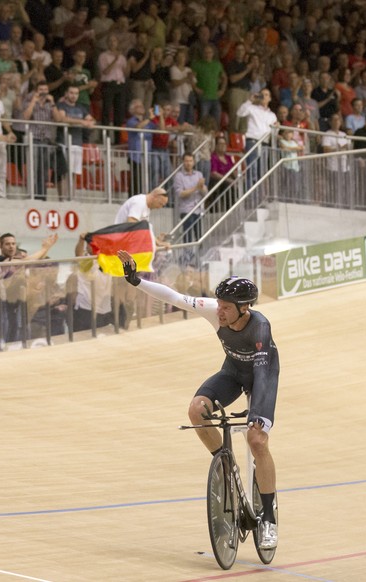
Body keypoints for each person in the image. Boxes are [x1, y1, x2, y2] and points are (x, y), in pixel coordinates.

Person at [116, 254, 280, 550]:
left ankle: (268, 519)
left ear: (244, 309)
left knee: (257, 441)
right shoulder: (214, 310)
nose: (219, 311)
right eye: (219, 305)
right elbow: (176, 297)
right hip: (232, 370)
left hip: (261, 375)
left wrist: (256, 413)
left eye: (226, 307)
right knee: (196, 410)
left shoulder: (260, 327)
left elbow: (262, 373)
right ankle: (226, 466)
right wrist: (136, 280)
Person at [173, 153, 206, 243]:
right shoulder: (179, 176)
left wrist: (202, 187)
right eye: (186, 161)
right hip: (186, 210)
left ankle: (199, 254)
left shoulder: (199, 174)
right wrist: (196, 188)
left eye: (190, 161)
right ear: (183, 162)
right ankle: (187, 255)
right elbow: (180, 193)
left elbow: (205, 192)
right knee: (188, 236)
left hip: (198, 209)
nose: (188, 163)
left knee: (199, 236)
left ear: (194, 162)